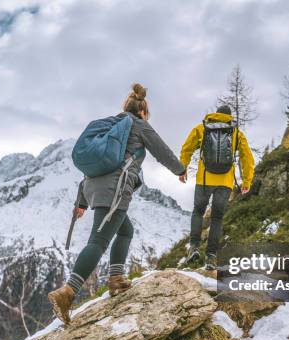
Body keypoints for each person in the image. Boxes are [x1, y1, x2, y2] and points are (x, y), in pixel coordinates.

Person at [48, 84, 186, 324]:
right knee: (99, 241)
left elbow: (94, 167)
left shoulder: (108, 126)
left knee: (126, 230)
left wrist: (81, 202)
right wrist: (180, 170)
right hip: (115, 190)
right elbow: (161, 150)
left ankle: (116, 279)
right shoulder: (138, 124)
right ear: (143, 112)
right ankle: (67, 292)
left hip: (94, 188)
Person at [179, 105, 254, 270]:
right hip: (225, 182)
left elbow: (187, 148)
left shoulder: (203, 128)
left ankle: (194, 248)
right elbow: (247, 157)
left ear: (216, 114)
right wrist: (247, 181)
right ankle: (211, 257)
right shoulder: (236, 132)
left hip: (204, 180)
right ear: (229, 117)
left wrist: (182, 169)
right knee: (217, 218)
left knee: (198, 212)